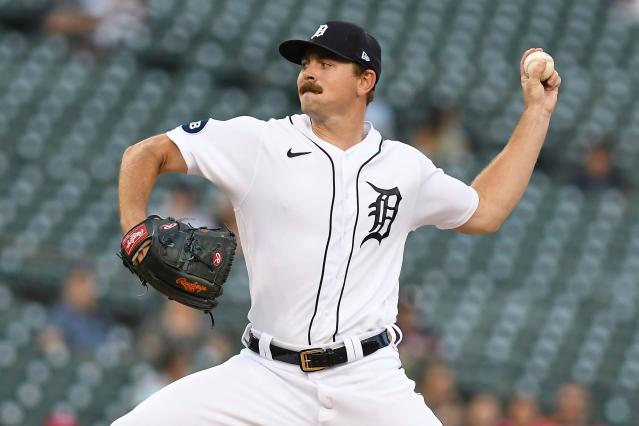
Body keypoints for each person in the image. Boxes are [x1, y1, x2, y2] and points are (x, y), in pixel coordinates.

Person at [113, 20, 561, 426]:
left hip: (369, 381)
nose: (310, 71)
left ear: (366, 81)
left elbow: (485, 211)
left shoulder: (404, 166)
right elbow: (144, 154)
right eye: (306, 63)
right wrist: (135, 230)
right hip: (266, 376)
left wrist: (536, 115)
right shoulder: (259, 142)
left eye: (327, 63)